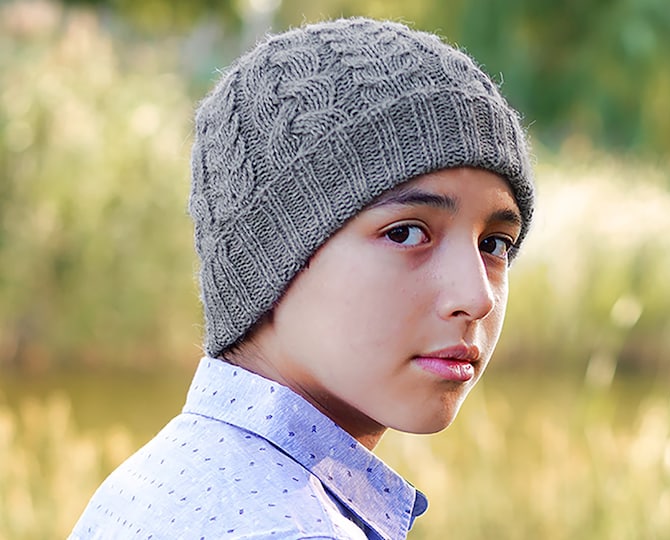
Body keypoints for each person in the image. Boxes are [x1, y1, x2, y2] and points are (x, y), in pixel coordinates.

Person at [69, 16, 534, 540]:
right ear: (268, 255)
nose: (477, 296)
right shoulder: (291, 527)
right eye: (406, 234)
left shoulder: (150, 482)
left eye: (495, 245)